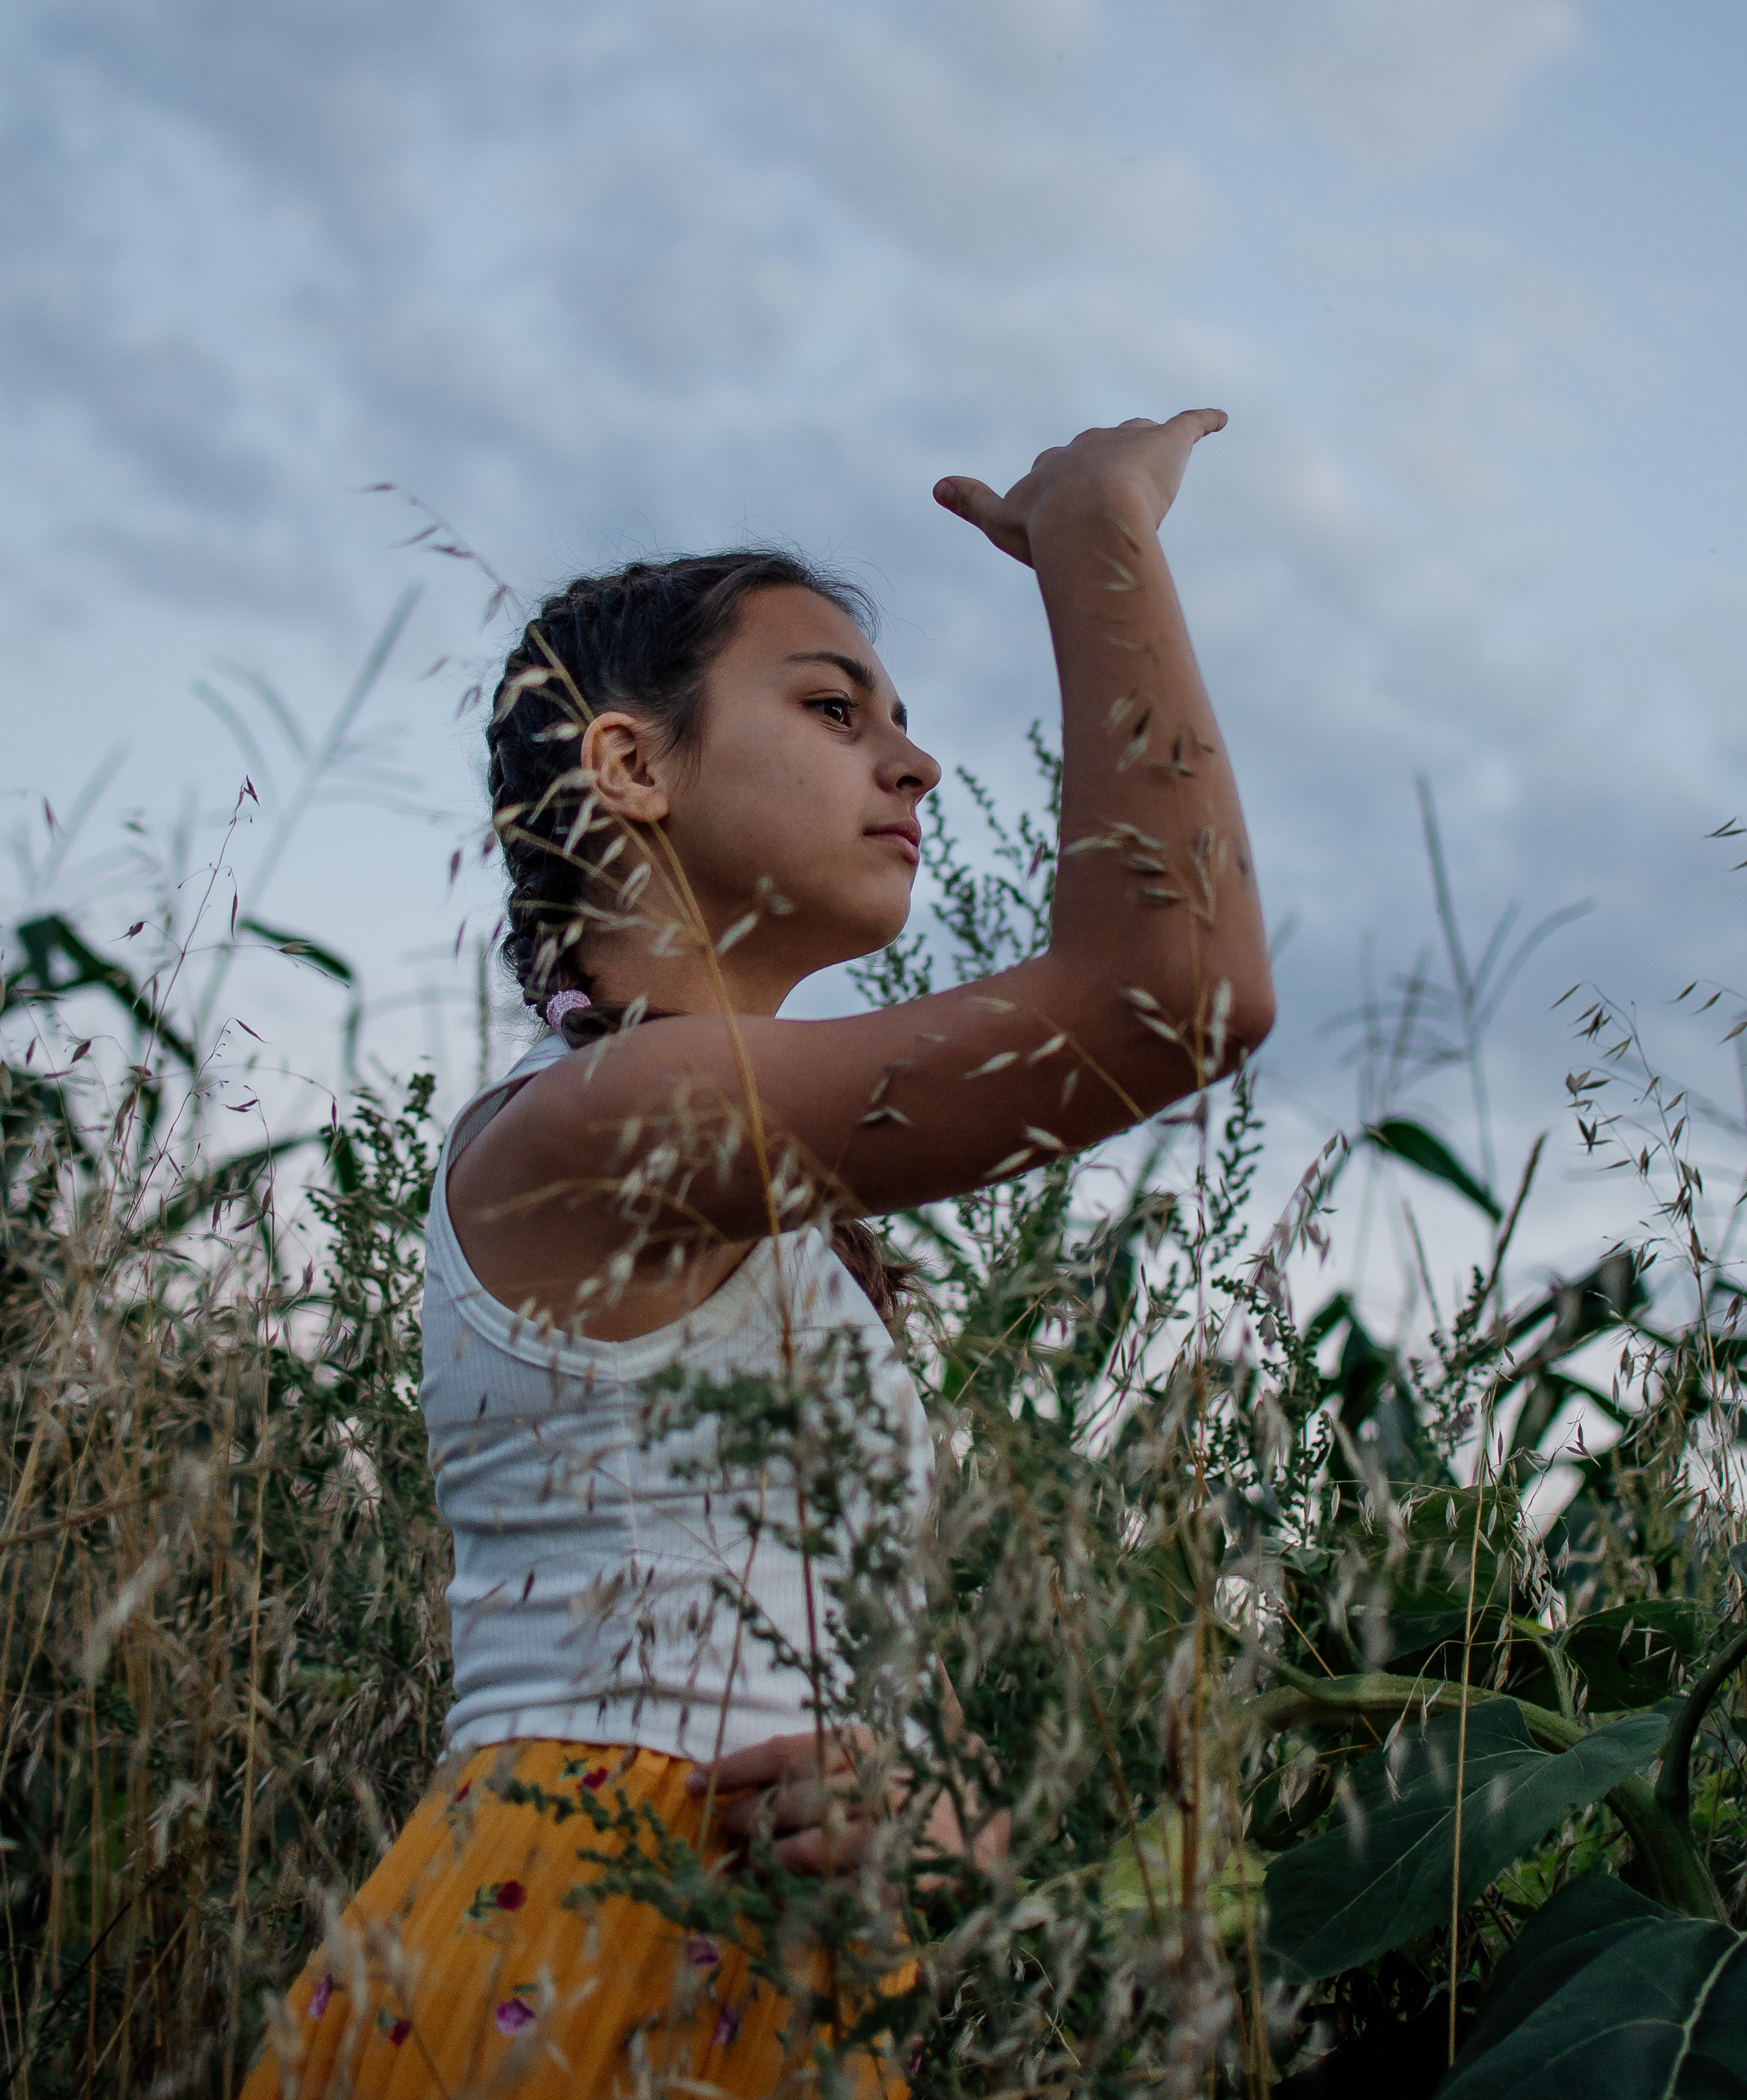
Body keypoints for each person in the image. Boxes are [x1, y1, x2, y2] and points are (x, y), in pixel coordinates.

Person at [244, 413, 1274, 2100]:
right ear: (633, 767)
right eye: (833, 707)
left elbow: (787, 1635)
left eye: (903, 721)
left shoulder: (734, 1176)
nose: (916, 762)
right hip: (569, 1951)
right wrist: (1102, 537)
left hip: (733, 1959)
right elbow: (1182, 992)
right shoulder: (599, 1119)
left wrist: (945, 1831)